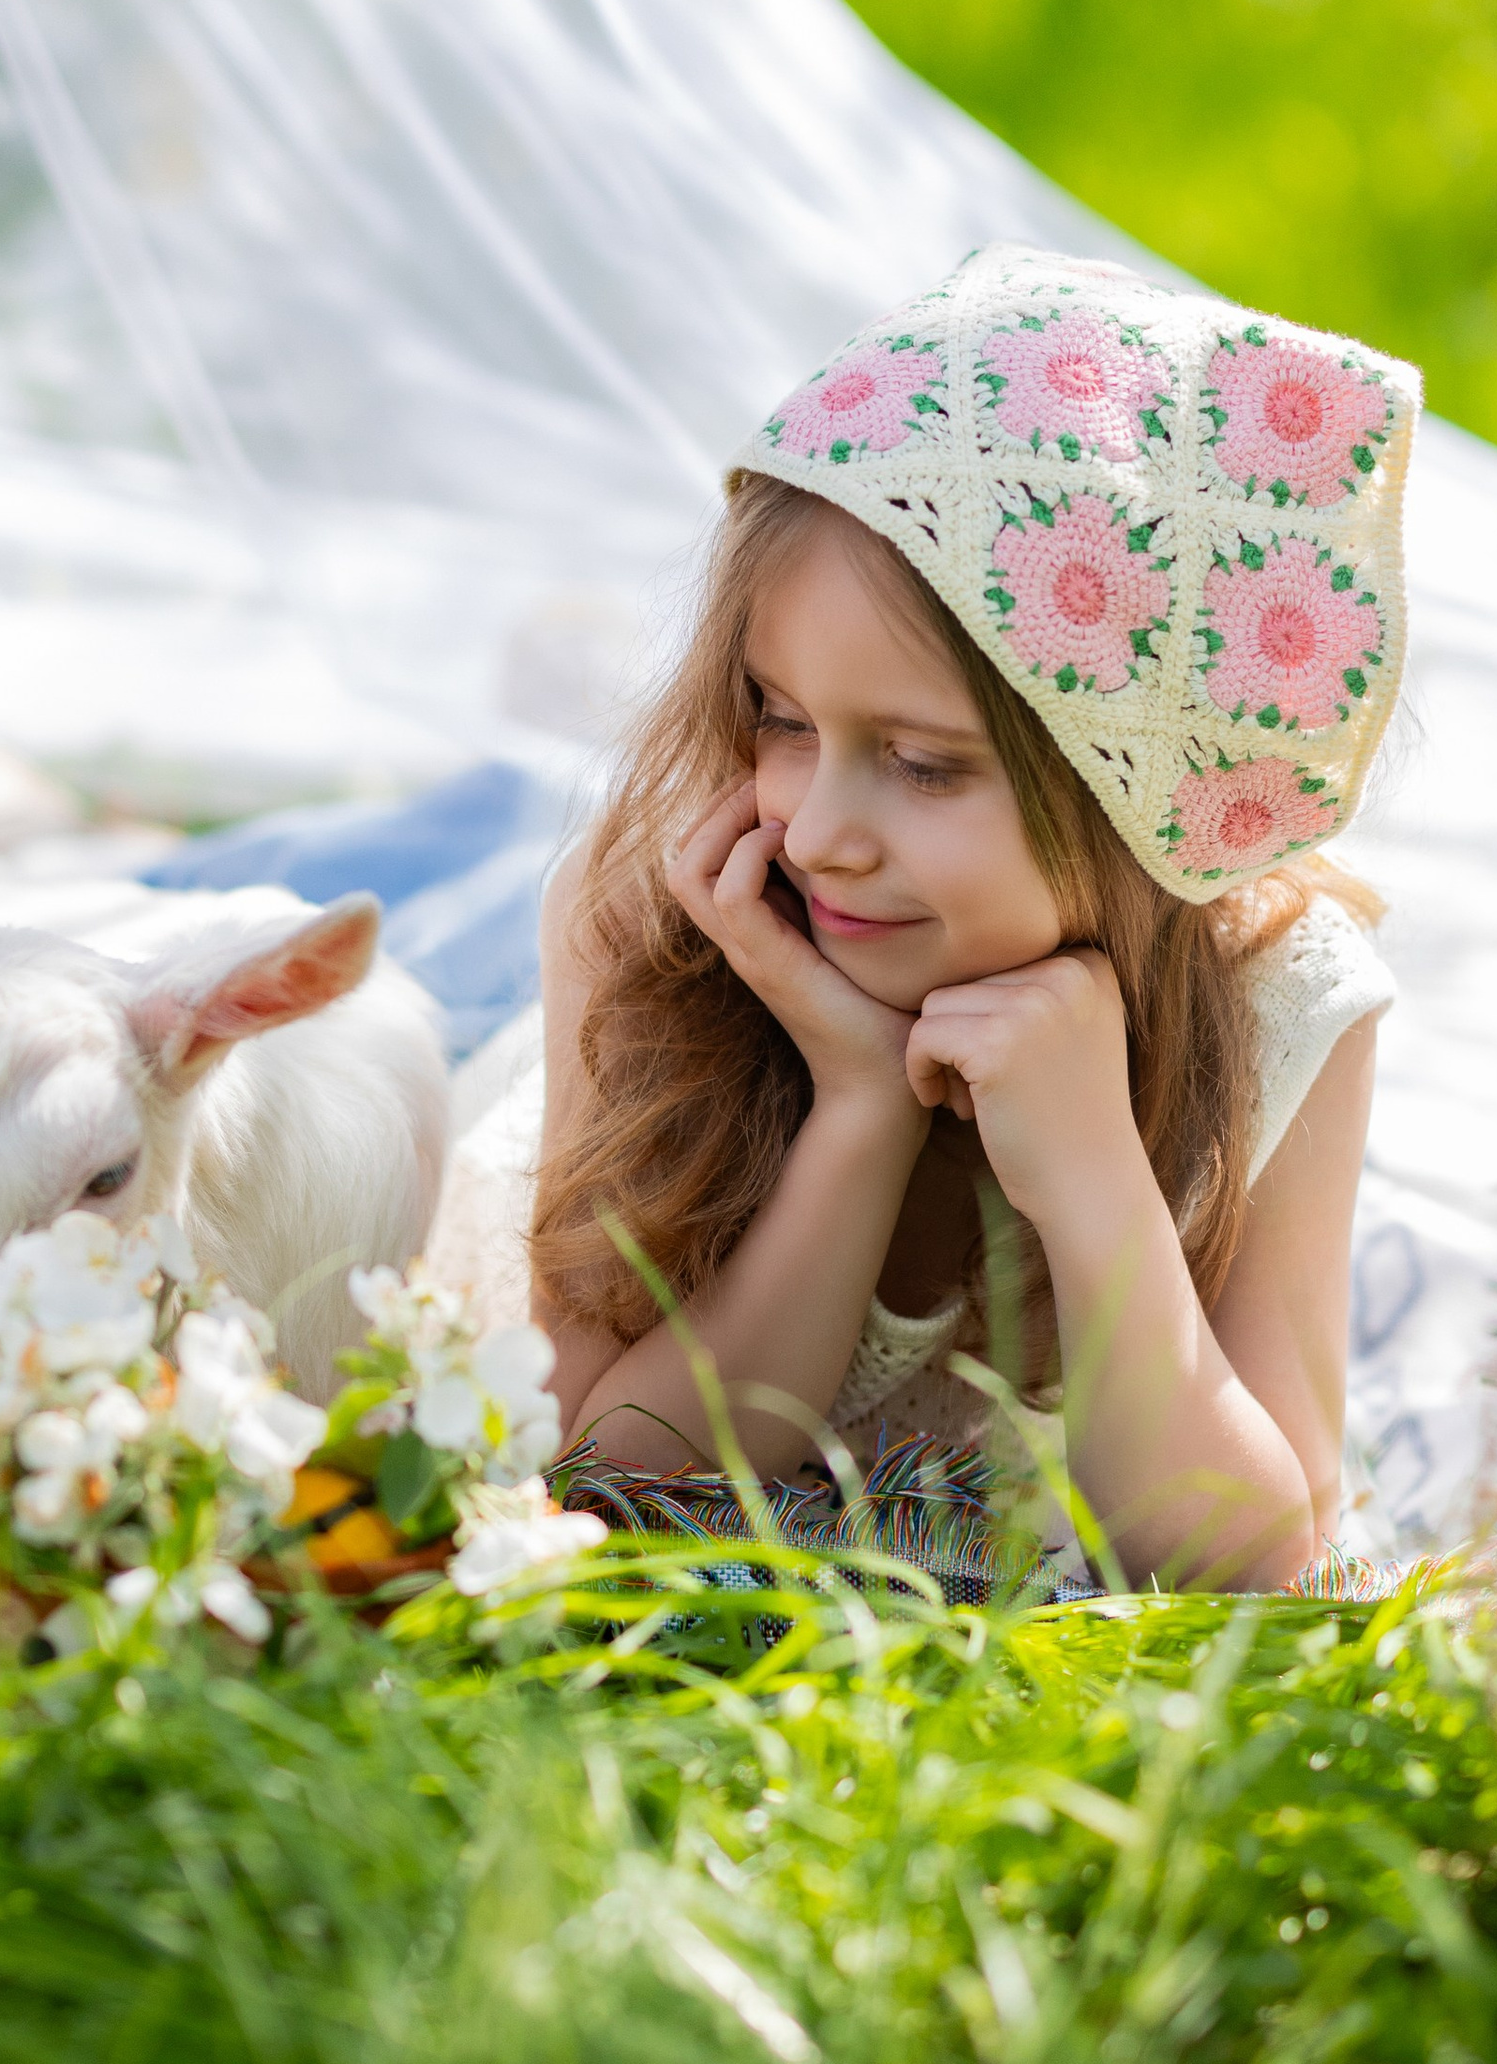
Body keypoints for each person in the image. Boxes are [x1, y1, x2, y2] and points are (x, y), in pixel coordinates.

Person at [526, 243, 1419, 1590]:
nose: (816, 831)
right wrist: (860, 1116)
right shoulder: (654, 920)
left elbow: (1254, 1564)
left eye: (928, 763)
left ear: (1131, 785)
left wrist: (1098, 1179)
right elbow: (604, 1487)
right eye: (781, 721)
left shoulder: (1279, 994)